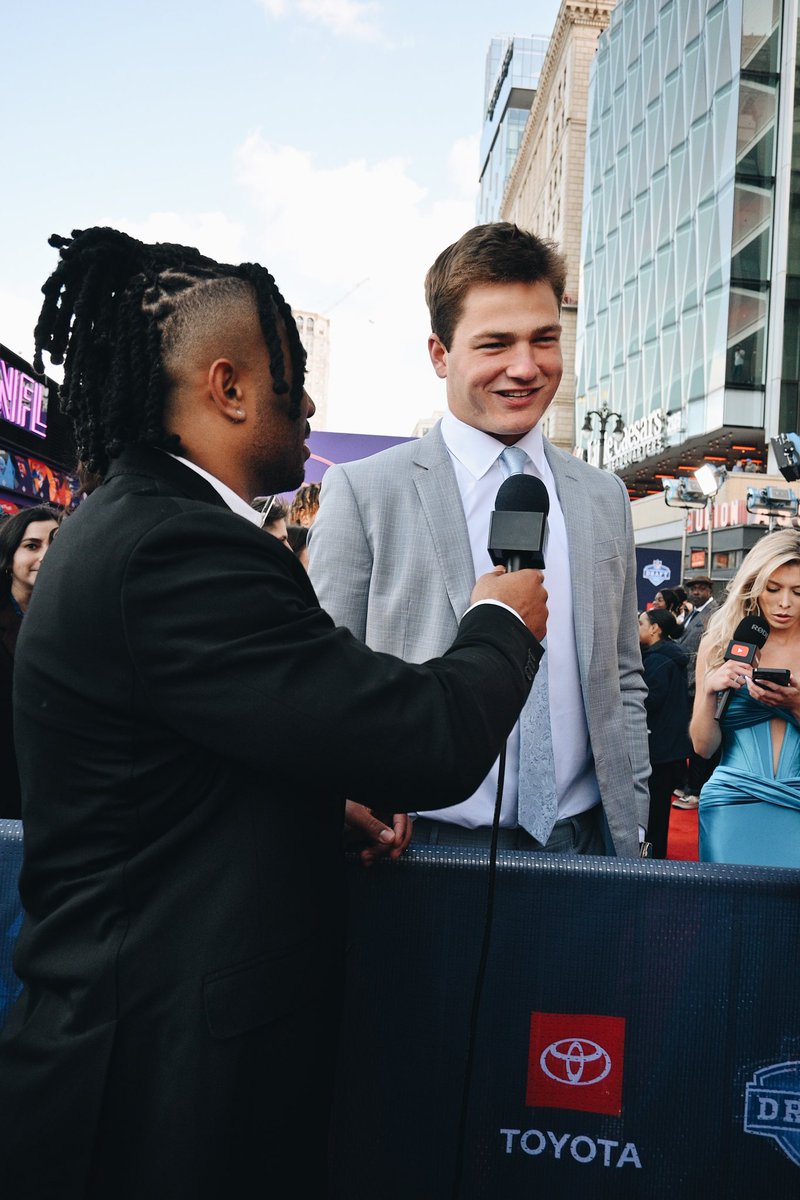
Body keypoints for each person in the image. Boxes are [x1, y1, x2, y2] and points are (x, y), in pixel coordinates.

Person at [0, 227, 549, 1198]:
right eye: (291, 378)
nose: (309, 406)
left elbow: (178, 768)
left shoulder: (137, 526)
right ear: (228, 387)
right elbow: (419, 739)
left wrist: (309, 807)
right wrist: (496, 627)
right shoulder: (176, 548)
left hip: (157, 1057)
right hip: (161, 1088)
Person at [309, 222, 649, 856]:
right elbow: (323, 681)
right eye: (495, 344)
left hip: (585, 843)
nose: (526, 367)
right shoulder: (364, 491)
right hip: (417, 850)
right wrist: (346, 795)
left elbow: (622, 678)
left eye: (543, 339)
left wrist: (634, 822)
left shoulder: (604, 498)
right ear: (440, 354)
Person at [690, 530, 800, 866]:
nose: (784, 603)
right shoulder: (718, 643)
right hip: (730, 803)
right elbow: (703, 747)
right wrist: (710, 691)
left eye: (798, 591)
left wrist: (794, 705)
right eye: (773, 588)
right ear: (754, 584)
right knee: (733, 915)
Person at [0, 506, 60, 818]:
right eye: (32, 546)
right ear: (9, 559)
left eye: (56, 543)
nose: (47, 555)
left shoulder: (75, 618)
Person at [638, 608, 691, 858]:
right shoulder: (670, 655)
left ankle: (651, 860)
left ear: (654, 629)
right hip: (671, 747)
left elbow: (648, 701)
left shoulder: (657, 661)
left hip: (659, 748)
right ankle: (655, 857)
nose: (637, 628)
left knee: (653, 812)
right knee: (659, 811)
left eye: (641, 623)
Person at [673, 574, 720, 809]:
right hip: (688, 682)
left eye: (702, 588)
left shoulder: (714, 614)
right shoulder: (691, 613)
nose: (697, 591)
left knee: (701, 742)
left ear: (710, 590)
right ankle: (688, 784)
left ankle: (696, 791)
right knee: (689, 739)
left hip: (701, 684)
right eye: (693, 588)